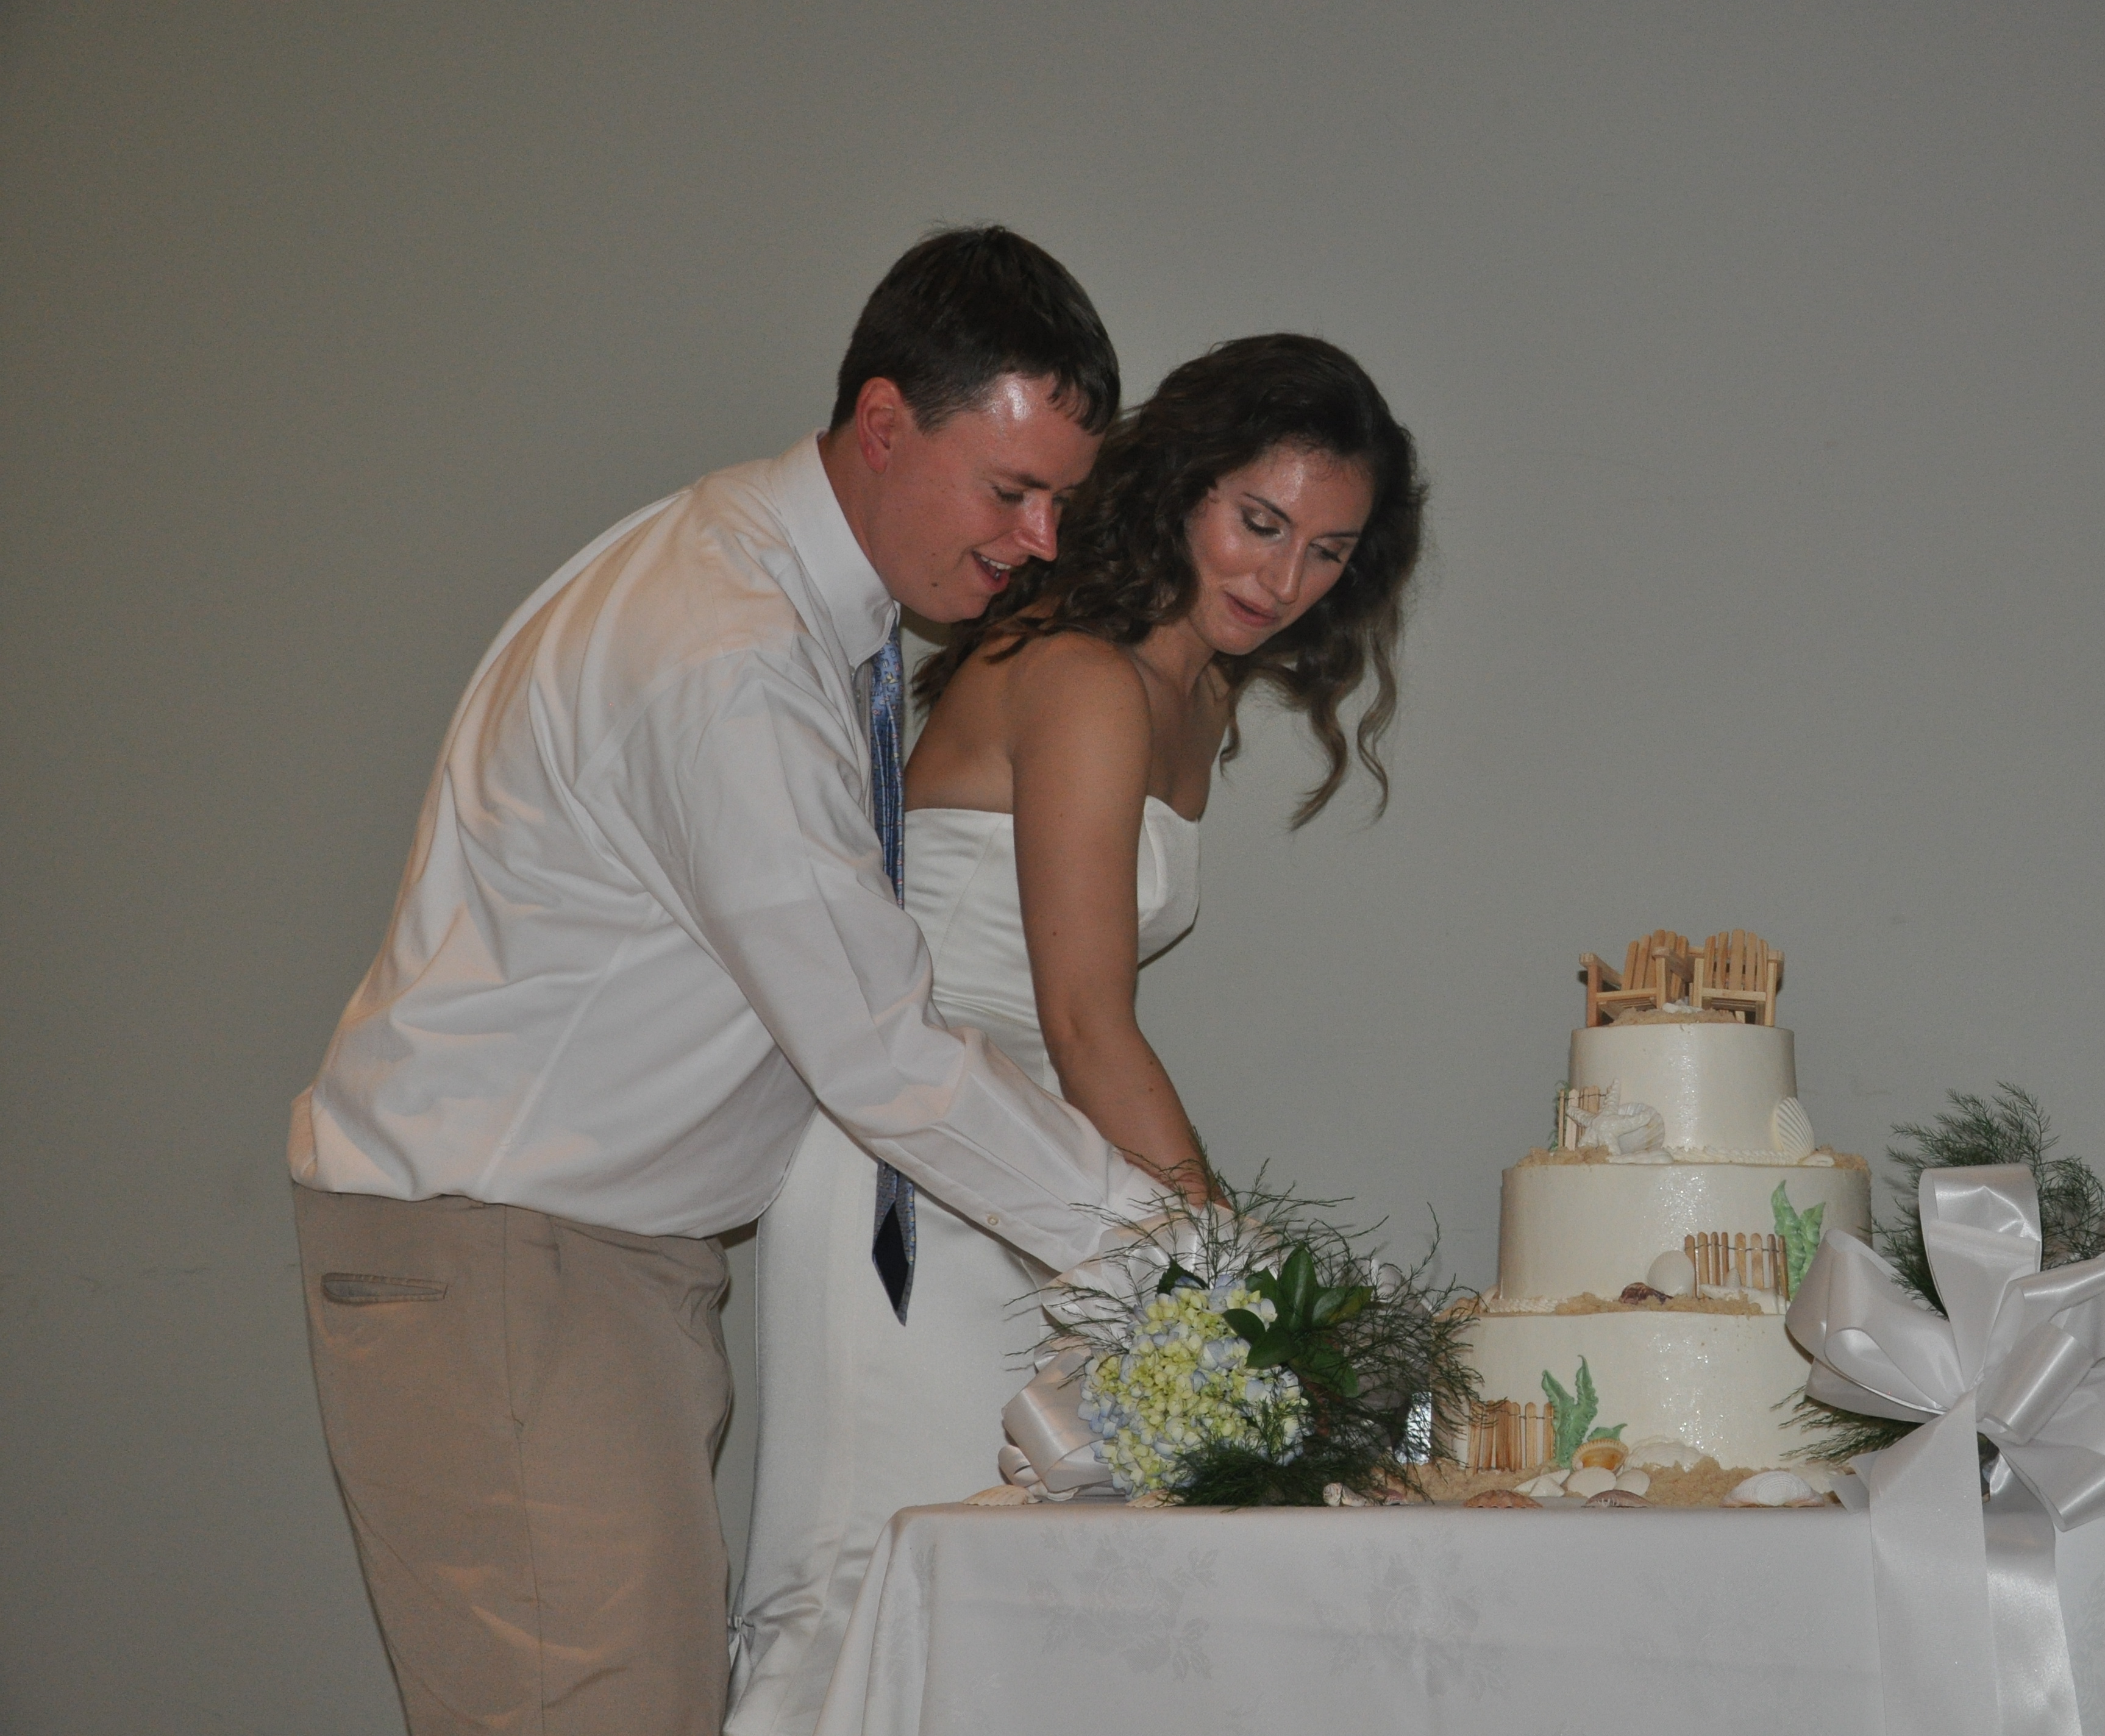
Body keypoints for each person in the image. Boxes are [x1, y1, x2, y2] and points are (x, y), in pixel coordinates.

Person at [287, 227, 1196, 1736]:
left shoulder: (781, 593)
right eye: (1009, 490)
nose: (1041, 539)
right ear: (884, 422)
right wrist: (1161, 1254)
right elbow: (875, 1048)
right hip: (509, 1248)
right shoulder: (724, 646)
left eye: (1060, 500)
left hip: (583, 1255)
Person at [728, 333, 1425, 1734]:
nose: (1282, 579)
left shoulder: (1198, 687)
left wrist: (1176, 1246)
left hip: (1040, 1154)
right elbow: (1084, 1017)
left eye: (1327, 551)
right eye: (1259, 521)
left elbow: (1080, 1035)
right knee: (868, 1568)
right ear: (1181, 483)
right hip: (911, 1154)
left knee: (1000, 1593)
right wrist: (1224, 1274)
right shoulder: (1088, 675)